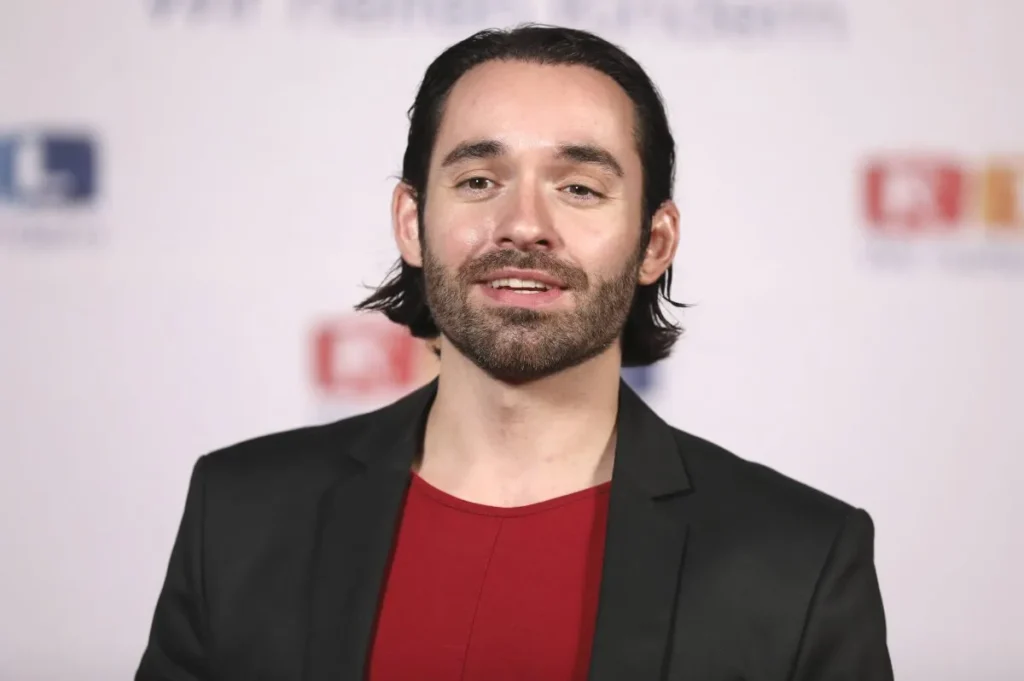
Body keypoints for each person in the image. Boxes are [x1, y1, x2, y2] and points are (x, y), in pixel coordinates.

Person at [135, 24, 893, 681]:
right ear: (411, 222)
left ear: (655, 242)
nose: (524, 224)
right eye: (478, 180)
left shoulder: (801, 560)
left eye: (580, 188)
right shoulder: (239, 515)